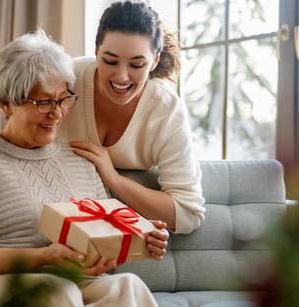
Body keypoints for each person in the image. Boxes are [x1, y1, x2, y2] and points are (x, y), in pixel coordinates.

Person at [0, 30, 159, 306]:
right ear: (7, 103)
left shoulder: (81, 159)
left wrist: (140, 234)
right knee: (56, 290)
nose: (56, 112)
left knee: (128, 286)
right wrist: (43, 257)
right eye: (43, 102)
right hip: (0, 287)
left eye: (63, 98)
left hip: (72, 282)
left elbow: (101, 241)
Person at [58, 0, 206, 235]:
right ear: (96, 52)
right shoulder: (66, 79)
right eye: (110, 61)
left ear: (155, 60)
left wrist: (114, 179)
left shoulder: (165, 109)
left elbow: (188, 213)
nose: (122, 77)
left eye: (137, 64)